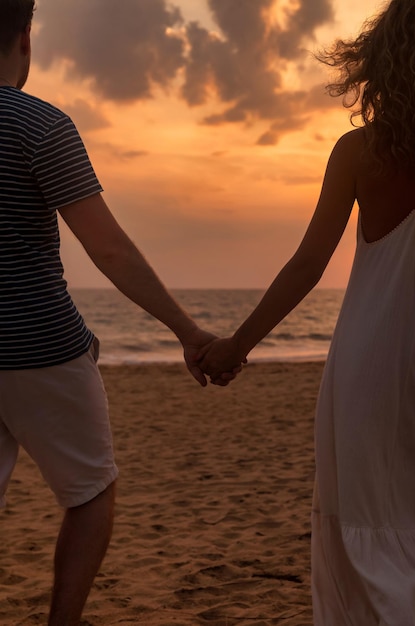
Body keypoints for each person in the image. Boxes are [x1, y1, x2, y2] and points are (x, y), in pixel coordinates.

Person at [0, 2, 238, 625]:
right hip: (42, 351)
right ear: (24, 38)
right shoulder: (40, 125)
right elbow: (106, 247)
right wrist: (189, 333)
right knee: (91, 492)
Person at [198, 1, 415, 623]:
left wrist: (233, 346)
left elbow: (306, 266)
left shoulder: (358, 152)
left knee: (371, 518)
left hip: (372, 358)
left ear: (380, 63)